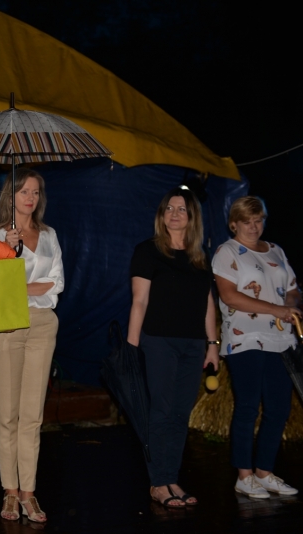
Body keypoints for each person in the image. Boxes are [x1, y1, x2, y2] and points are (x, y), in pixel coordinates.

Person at [127, 187, 219, 508]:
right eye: (169, 208)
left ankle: (171, 478)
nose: (175, 214)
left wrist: (212, 344)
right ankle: (158, 483)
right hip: (159, 341)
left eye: (181, 209)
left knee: (180, 414)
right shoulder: (147, 251)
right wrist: (132, 348)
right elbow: (139, 302)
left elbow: (208, 303)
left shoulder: (200, 257)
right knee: (162, 412)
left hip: (193, 344)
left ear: (192, 217)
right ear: (161, 214)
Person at [0, 169, 63, 523]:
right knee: (7, 414)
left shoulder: (49, 234)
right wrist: (9, 251)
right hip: (6, 325)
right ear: (11, 195)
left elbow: (57, 283)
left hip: (43, 324)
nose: (30, 197)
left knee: (33, 414)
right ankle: (10, 491)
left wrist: (23, 286)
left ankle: (29, 492)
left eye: (35, 192)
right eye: (24, 191)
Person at [212, 196, 301, 498]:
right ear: (233, 224)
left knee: (279, 408)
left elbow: (292, 289)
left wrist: (291, 305)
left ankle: (264, 471)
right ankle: (244, 475)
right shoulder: (226, 251)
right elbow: (229, 296)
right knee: (248, 405)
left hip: (281, 339)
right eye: (246, 221)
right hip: (245, 337)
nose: (253, 227)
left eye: (258, 220)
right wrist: (276, 309)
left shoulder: (276, 249)